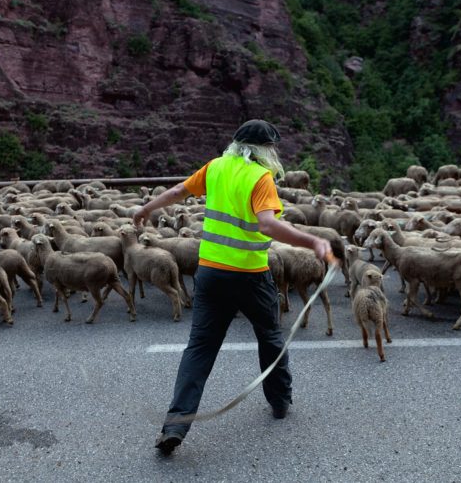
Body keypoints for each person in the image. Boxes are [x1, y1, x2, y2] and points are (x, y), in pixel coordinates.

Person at [132, 119, 333, 455]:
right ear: (264, 150)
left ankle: (175, 426)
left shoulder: (216, 167)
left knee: (199, 348)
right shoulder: (260, 177)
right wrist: (312, 241)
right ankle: (280, 401)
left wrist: (146, 208)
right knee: (269, 336)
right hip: (250, 275)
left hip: (209, 272)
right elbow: (267, 224)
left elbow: (179, 191)